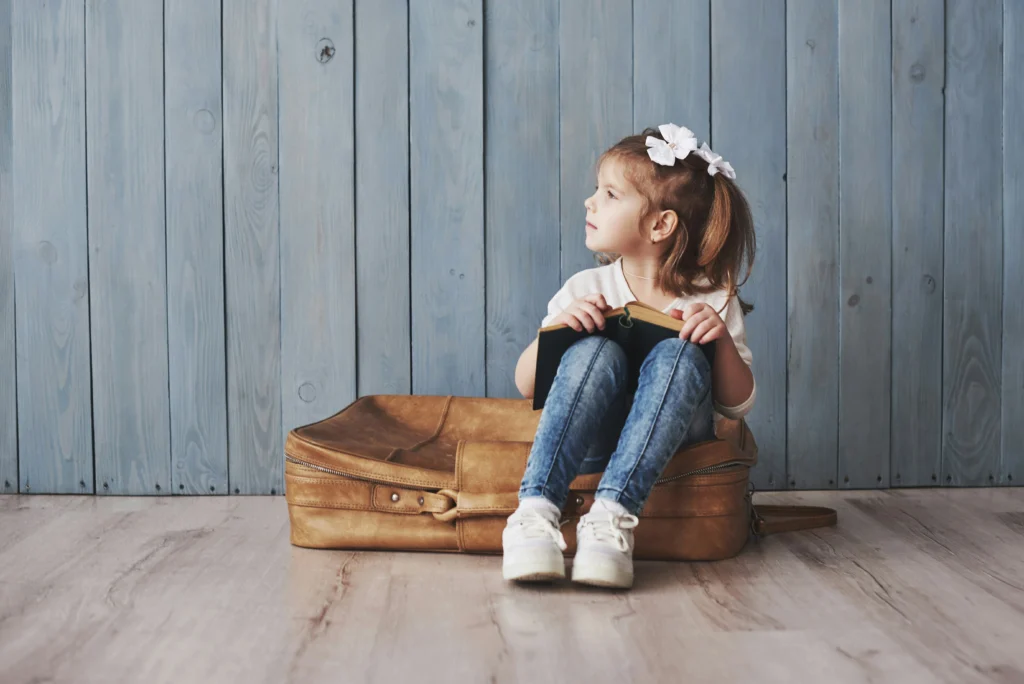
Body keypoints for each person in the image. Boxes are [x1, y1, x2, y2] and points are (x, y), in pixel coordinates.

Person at [503, 124, 757, 589]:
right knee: (594, 348)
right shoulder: (585, 289)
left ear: (661, 224)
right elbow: (525, 385)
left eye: (610, 193)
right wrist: (556, 333)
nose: (590, 201)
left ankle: (612, 518)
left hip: (676, 450)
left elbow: (737, 406)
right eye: (597, 190)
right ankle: (535, 512)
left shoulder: (714, 298)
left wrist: (716, 340)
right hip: (590, 448)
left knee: (678, 355)